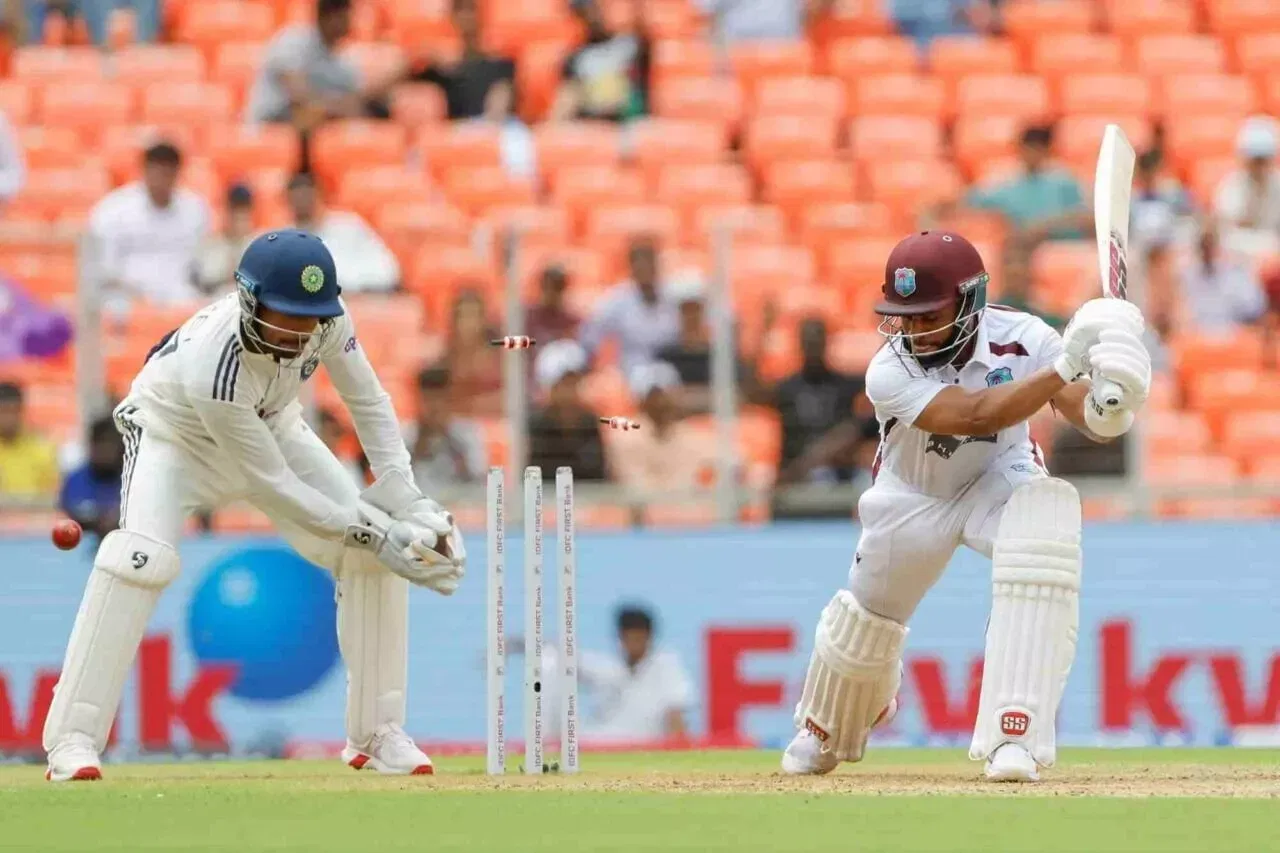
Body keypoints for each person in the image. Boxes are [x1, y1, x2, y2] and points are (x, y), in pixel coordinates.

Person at [41, 229, 467, 783]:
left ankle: (377, 734)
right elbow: (270, 484)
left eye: (309, 317)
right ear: (249, 299)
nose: (299, 331)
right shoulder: (212, 365)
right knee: (138, 559)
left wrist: (403, 499)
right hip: (177, 436)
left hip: (273, 423)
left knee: (368, 553)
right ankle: (72, 740)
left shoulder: (329, 322)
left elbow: (369, 402)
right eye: (287, 315)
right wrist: (377, 533)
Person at [780, 231, 1153, 783]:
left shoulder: (1023, 337)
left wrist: (1113, 400)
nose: (911, 328)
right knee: (868, 620)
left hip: (999, 478)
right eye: (902, 315)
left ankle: (1015, 735)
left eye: (927, 314)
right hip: (911, 495)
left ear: (971, 301)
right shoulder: (888, 370)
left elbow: (1087, 416)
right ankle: (832, 723)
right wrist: (1066, 365)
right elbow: (975, 415)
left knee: (1043, 538)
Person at [88, 141, 210, 307]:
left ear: (177, 173)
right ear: (145, 170)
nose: (161, 180)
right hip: (126, 297)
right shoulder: (113, 210)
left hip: (180, 297)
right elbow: (103, 268)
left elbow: (197, 266)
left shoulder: (194, 209)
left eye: (167, 173)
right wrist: (139, 294)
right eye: (157, 172)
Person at [245, 0, 375, 128]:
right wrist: (336, 107)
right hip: (272, 124)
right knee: (309, 116)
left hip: (315, 130)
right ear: (329, 17)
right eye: (346, 16)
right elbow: (298, 95)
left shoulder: (345, 59)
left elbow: (356, 101)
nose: (350, 22)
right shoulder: (293, 40)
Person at [962, 125, 1091, 249]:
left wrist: (1046, 226)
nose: (1032, 154)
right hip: (1023, 248)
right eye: (1029, 149)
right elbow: (973, 200)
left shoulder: (1065, 181)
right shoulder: (1006, 183)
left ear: (1047, 150)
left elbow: (1082, 216)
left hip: (1059, 247)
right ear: (1020, 149)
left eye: (1037, 149)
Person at [580, 606, 694, 743]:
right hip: (601, 744)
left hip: (644, 749)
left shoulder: (666, 666)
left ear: (649, 637)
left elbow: (675, 714)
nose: (634, 644)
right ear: (621, 637)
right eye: (629, 638)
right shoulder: (606, 668)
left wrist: (680, 751)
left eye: (638, 638)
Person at [579, 236, 679, 374]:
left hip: (670, 373)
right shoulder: (617, 300)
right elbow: (590, 337)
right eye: (639, 261)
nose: (645, 267)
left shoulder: (673, 296)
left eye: (649, 260)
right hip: (631, 374)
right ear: (631, 266)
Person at [285, 172, 400, 293]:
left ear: (320, 196)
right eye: (296, 200)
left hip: (356, 300)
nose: (303, 205)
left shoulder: (349, 227)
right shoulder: (285, 241)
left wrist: (343, 283)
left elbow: (389, 271)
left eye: (307, 198)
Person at [610, 361, 712, 494]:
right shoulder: (624, 438)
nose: (661, 402)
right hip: (645, 510)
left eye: (666, 394)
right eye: (654, 396)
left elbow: (730, 464)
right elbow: (635, 487)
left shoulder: (694, 436)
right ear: (641, 399)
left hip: (689, 509)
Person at [552, 0, 650, 123]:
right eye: (582, 13)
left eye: (592, 10)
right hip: (592, 124)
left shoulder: (632, 45)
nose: (590, 18)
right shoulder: (576, 58)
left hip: (629, 123)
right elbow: (565, 104)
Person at [528, 339, 608, 481]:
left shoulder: (589, 423)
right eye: (565, 384)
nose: (572, 392)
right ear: (549, 387)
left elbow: (599, 478)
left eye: (575, 382)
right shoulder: (533, 426)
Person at [1178, 220, 1267, 336]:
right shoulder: (1187, 276)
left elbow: (1255, 307)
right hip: (1195, 341)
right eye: (1204, 245)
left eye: (1210, 244)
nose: (1207, 250)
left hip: (1232, 341)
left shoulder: (1236, 275)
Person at [406, 366, 486, 490]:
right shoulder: (406, 435)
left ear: (449, 400)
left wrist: (450, 439)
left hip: (458, 504)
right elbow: (397, 483)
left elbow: (478, 482)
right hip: (416, 505)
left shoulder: (468, 433)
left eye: (439, 400)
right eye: (428, 400)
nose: (434, 407)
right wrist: (418, 446)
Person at [1213, 115, 1280, 259]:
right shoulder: (1230, 188)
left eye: (1264, 159)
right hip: (1241, 261)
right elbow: (1228, 236)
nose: (1259, 166)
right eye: (1255, 160)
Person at [438, 288, 503, 417]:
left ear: (483, 320)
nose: (468, 323)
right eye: (463, 316)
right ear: (454, 321)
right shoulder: (445, 360)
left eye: (473, 316)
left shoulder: (500, 357)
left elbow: (511, 398)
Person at [58, 417, 125, 541]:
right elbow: (66, 517)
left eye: (110, 445)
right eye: (100, 444)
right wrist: (98, 522)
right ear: (91, 445)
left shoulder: (132, 480)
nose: (105, 452)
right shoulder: (74, 480)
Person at [195, 184, 258, 297]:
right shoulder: (211, 243)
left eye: (243, 210)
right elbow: (206, 280)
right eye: (234, 210)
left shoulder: (257, 243)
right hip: (215, 302)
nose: (238, 216)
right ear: (226, 210)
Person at [0, 381, 58, 499]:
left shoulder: (42, 448)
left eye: (13, 411)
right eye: (3, 411)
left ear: (21, 411)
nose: (8, 418)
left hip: (35, 515)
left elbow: (52, 494)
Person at [524, 264, 579, 346]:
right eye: (548, 287)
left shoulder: (571, 322)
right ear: (542, 287)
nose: (552, 292)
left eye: (557, 287)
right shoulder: (527, 317)